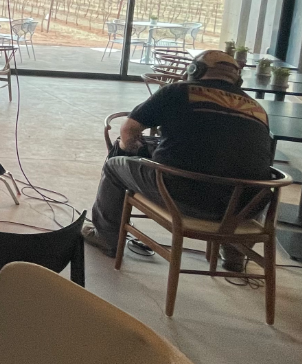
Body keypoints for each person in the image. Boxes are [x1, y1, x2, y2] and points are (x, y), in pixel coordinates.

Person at [82, 50, 273, 270]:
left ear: (194, 70)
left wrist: (137, 153)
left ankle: (106, 238)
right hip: (242, 211)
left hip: (182, 198)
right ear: (236, 79)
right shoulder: (257, 109)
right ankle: (234, 253)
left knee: (115, 166)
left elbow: (129, 132)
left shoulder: (178, 91)